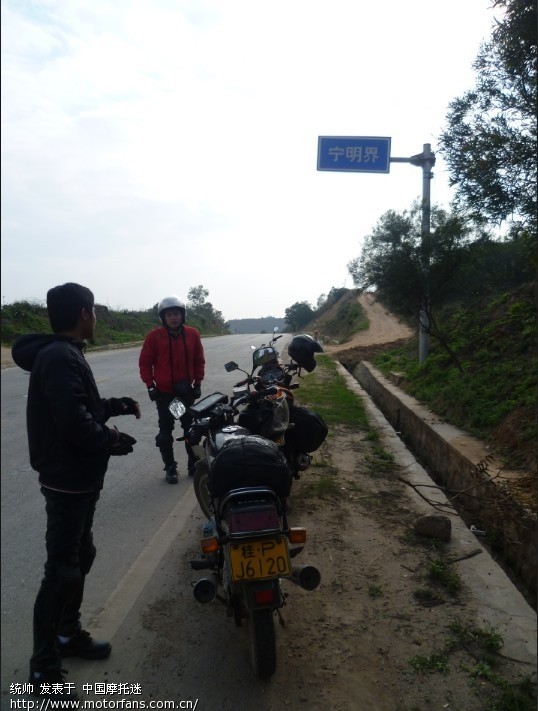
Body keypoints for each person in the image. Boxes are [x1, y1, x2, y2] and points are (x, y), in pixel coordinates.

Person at [11, 283, 140, 699]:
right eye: (95, 311)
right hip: (67, 480)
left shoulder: (65, 355)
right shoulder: (60, 357)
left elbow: (80, 407)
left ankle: (68, 634)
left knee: (82, 555)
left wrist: (114, 405)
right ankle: (43, 671)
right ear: (84, 313)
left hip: (79, 478)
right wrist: (113, 438)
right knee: (62, 570)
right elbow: (74, 424)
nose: (97, 318)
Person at [139, 295, 205, 484]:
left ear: (182, 315)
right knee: (165, 434)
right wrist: (150, 386)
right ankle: (170, 467)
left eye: (176, 314)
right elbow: (145, 363)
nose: (173, 318)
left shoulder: (192, 334)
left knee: (191, 431)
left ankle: (195, 463)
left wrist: (198, 383)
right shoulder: (155, 337)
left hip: (185, 393)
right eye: (169, 315)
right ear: (163, 317)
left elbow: (198, 360)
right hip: (166, 395)